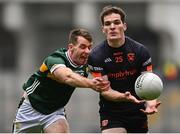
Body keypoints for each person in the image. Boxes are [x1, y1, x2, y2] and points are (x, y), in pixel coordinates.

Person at [12, 28, 110, 133]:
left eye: (89, 47)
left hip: (54, 113)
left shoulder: (88, 63)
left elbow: (105, 82)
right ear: (71, 47)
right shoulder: (55, 59)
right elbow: (67, 77)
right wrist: (91, 83)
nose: (87, 51)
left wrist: (123, 95)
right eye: (82, 47)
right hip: (30, 108)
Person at [88, 5, 161, 133]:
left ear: (124, 26)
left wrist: (151, 103)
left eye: (116, 22)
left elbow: (149, 83)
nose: (112, 27)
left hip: (137, 111)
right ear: (103, 29)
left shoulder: (140, 51)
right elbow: (105, 91)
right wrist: (124, 97)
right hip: (111, 113)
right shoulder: (96, 56)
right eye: (108, 24)